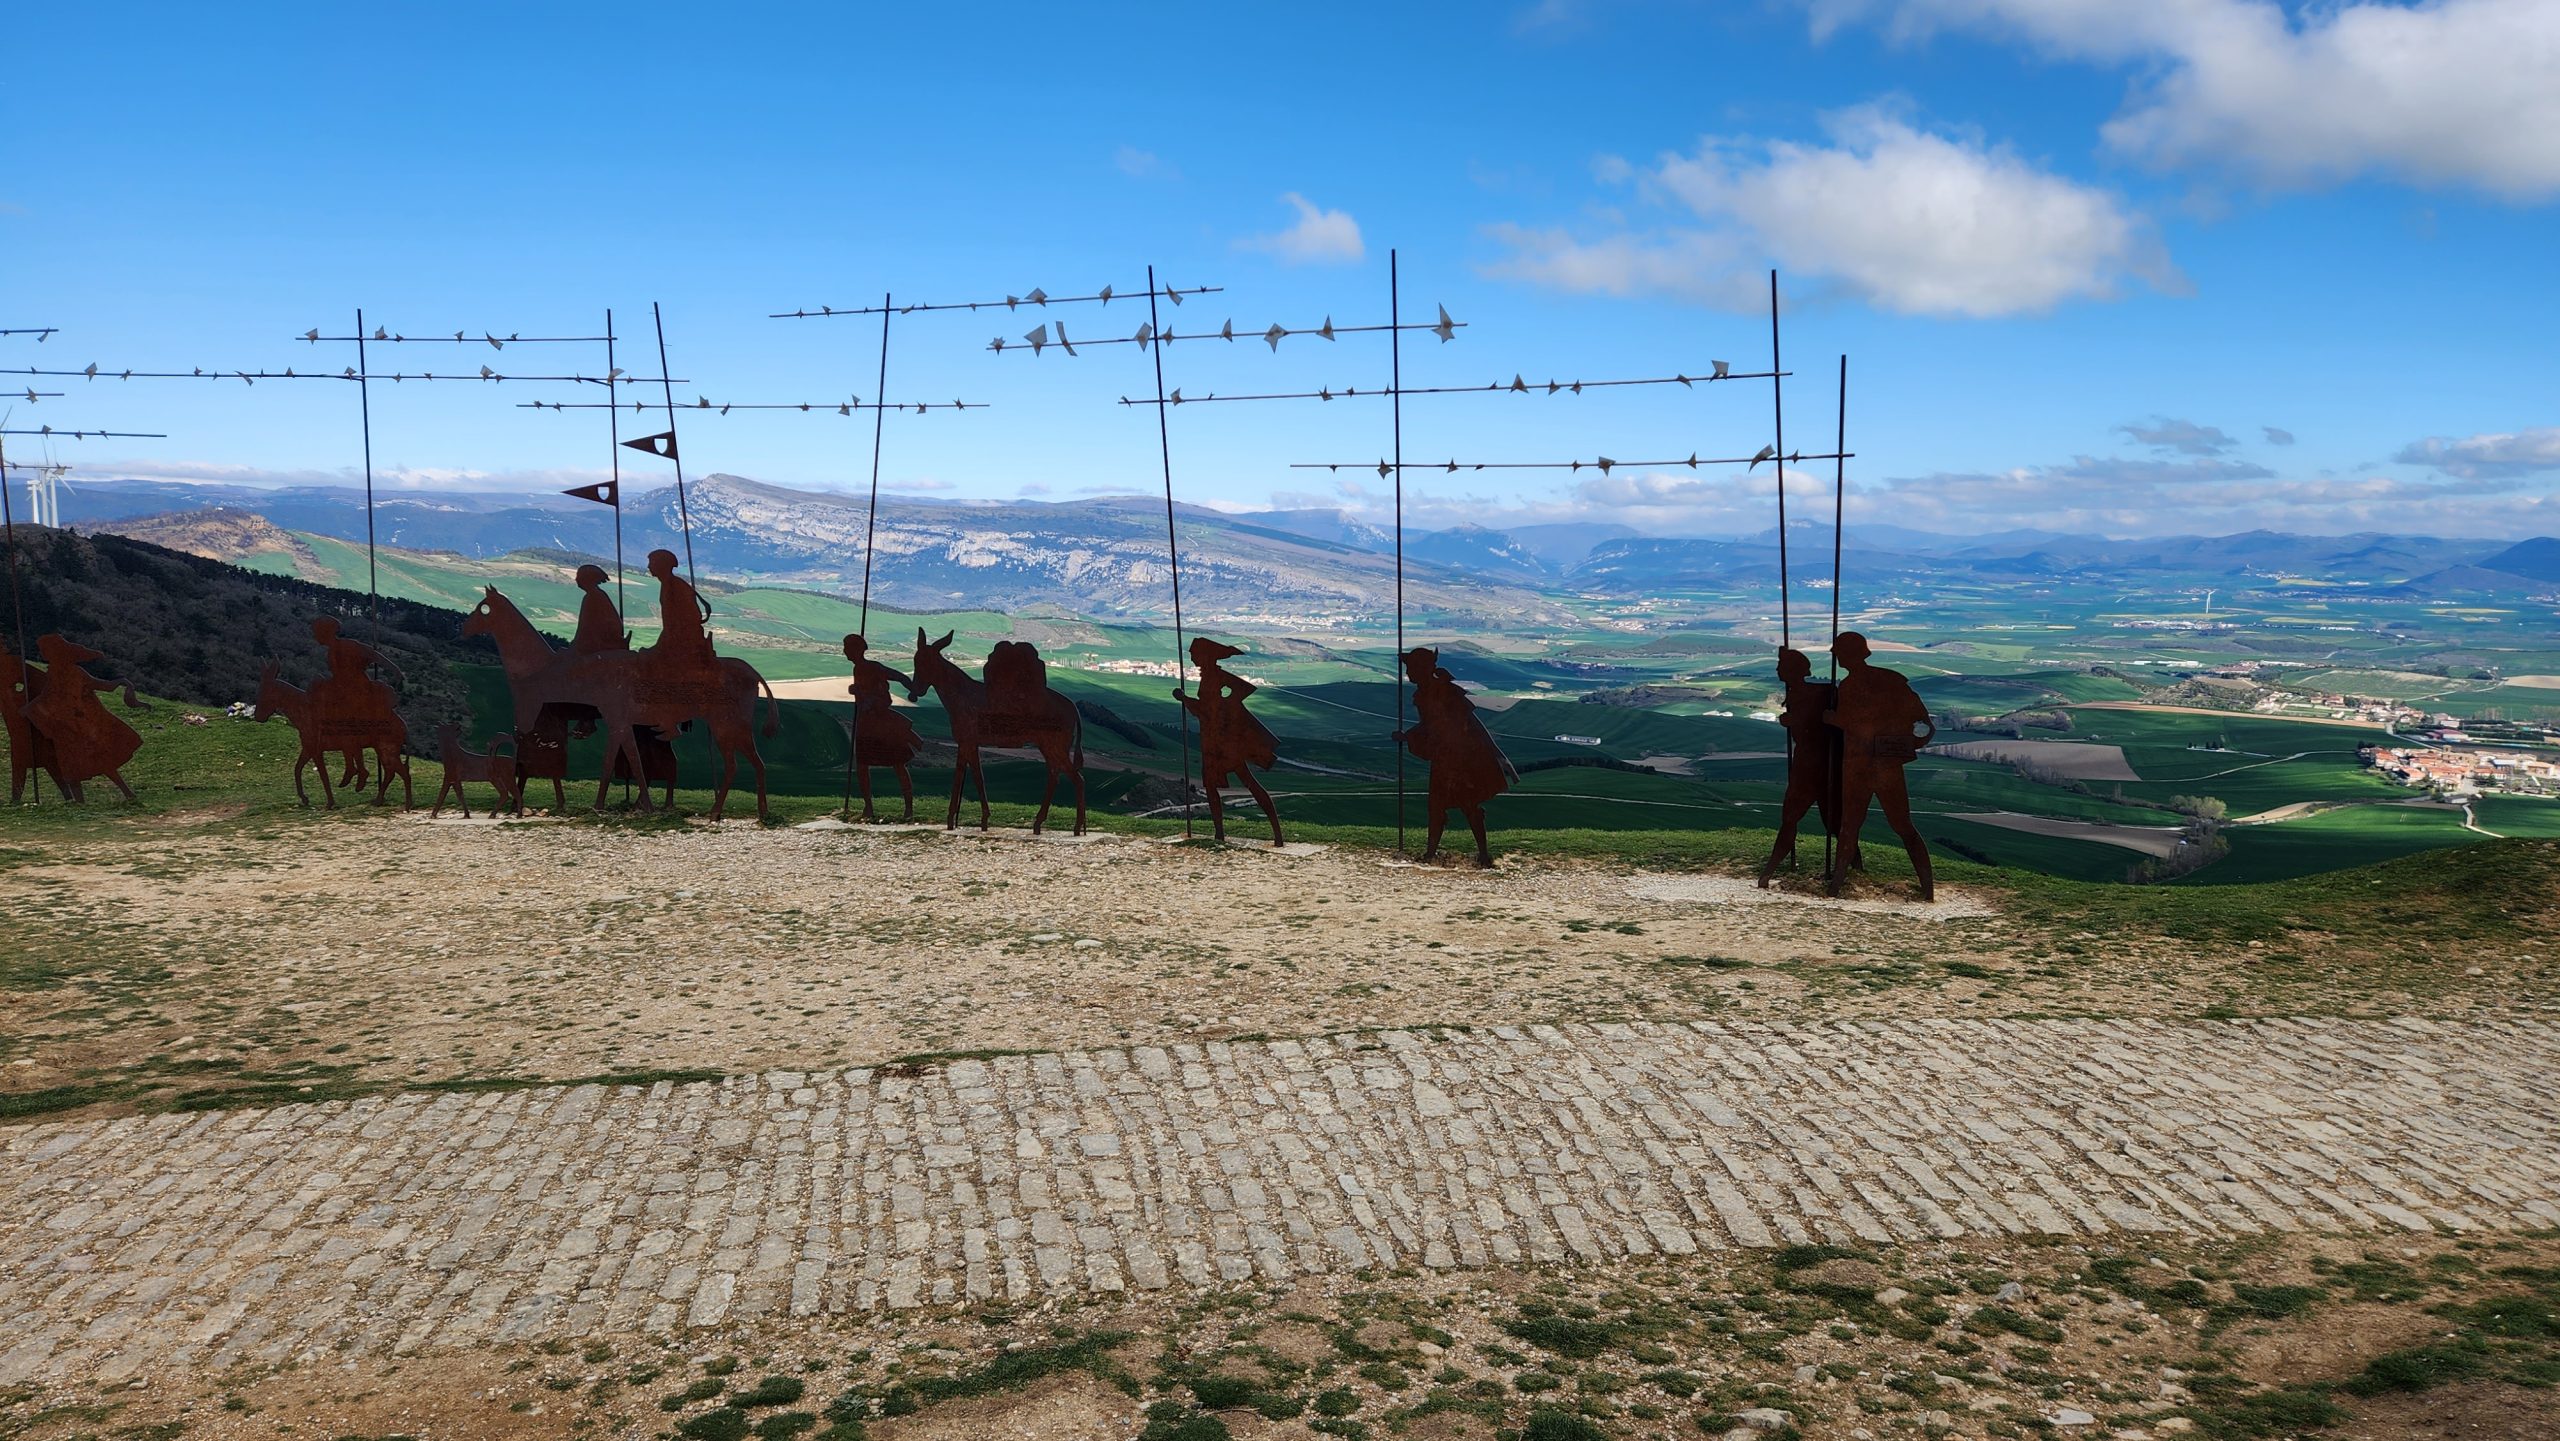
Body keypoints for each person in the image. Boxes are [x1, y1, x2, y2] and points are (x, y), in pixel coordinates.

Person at [1825, 631, 1935, 901]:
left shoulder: (1852, 687)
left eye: (1839, 653)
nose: (1837, 658)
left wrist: (1833, 719)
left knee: (1854, 825)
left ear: (1849, 655)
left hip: (1863, 765)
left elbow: (1862, 727)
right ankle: (1926, 888)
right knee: (1898, 825)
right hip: (1881, 764)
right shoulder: (1890, 680)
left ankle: (1836, 885)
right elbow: (1922, 721)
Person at [1395, 646, 1515, 867]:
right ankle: (1431, 853)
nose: (1408, 673)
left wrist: (1495, 753)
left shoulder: (1446, 691)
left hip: (1459, 756)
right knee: (1437, 805)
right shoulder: (1423, 694)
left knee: (1468, 805)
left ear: (1422, 668)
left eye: (1411, 668)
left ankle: (1483, 854)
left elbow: (1465, 722)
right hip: (1443, 755)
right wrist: (1408, 736)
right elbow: (1428, 726)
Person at [1176, 636, 1283, 846]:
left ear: (1205, 655)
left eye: (1194, 653)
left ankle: (1272, 833)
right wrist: (1191, 702)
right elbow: (1206, 709)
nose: (1191, 657)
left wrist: (1223, 707)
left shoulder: (1217, 675)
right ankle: (1220, 833)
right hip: (1212, 738)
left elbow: (1243, 690)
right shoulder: (1208, 676)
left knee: (1246, 782)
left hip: (1221, 741)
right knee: (1218, 785)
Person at [1759, 646, 1849, 887]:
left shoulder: (1823, 693)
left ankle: (1852, 866)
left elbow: (1830, 725)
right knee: (1791, 818)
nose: (1777, 670)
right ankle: (1769, 871)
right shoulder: (1794, 695)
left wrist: (1798, 721)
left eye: (1781, 666)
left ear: (1792, 670)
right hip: (1804, 764)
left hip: (1822, 764)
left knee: (1833, 822)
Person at [25, 634, 140, 801]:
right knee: (72, 766)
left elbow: (58, 696)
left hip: (77, 725)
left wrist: (32, 709)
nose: (42, 654)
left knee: (95, 760)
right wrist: (32, 709)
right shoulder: (55, 673)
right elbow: (48, 697)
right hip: (66, 726)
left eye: (44, 650)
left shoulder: (71, 672)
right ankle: (81, 801)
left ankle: (125, 793)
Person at [842, 633, 922, 821]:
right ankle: (868, 807)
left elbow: (898, 676)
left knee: (897, 763)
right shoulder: (857, 669)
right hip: (866, 723)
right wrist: (857, 691)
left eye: (847, 648)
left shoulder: (873, 668)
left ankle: (908, 808)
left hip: (880, 723)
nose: (844, 651)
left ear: (857, 650)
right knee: (862, 765)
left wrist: (913, 689)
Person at [646, 549, 712, 659]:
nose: (648, 566)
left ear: (662, 565)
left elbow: (678, 623)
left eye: (652, 563)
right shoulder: (670, 584)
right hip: (680, 639)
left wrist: (661, 646)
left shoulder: (674, 586)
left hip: (684, 642)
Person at [569, 563, 630, 655]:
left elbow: (584, 626)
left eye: (578, 576)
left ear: (587, 579)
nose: (576, 579)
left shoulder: (592, 597)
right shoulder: (596, 595)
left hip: (600, 644)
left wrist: (575, 645)